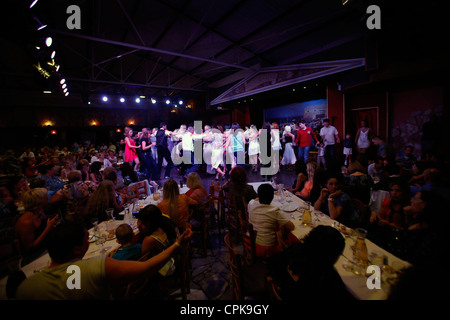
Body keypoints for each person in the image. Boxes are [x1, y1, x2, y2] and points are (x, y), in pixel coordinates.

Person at [15, 220, 192, 299]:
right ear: (77, 248)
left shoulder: (26, 288)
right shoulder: (96, 268)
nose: (88, 241)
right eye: (87, 238)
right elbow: (146, 268)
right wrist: (176, 245)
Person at [267, 226, 355, 300]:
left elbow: (274, 268)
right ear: (333, 255)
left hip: (283, 291)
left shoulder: (294, 250)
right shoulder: (328, 278)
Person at [248, 184, 295, 259]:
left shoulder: (251, 203)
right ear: (272, 197)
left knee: (277, 226)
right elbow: (291, 227)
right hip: (267, 249)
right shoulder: (275, 210)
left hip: (250, 242)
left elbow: (255, 200)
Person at [14, 188, 59, 259]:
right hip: (34, 256)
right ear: (39, 201)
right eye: (45, 195)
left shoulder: (39, 211)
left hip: (46, 245)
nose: (47, 196)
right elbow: (29, 248)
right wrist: (48, 228)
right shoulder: (26, 222)